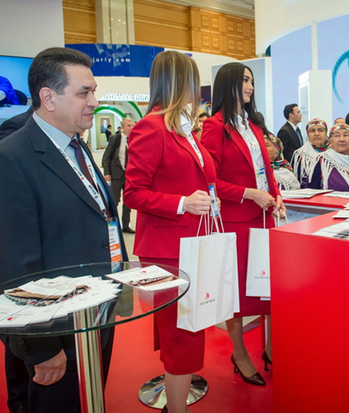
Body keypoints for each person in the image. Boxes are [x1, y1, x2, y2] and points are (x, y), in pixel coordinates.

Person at [0, 47, 126, 413]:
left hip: (97, 309)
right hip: (58, 327)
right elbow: (16, 266)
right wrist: (41, 347)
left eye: (93, 91)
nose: (94, 102)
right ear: (48, 98)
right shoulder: (10, 159)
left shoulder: (76, 145)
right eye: (83, 92)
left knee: (91, 399)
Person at [123, 51, 216, 413]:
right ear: (180, 81)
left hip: (192, 242)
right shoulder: (151, 127)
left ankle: (177, 393)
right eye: (193, 80)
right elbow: (133, 193)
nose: (198, 88)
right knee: (182, 332)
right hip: (169, 247)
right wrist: (182, 203)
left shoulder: (184, 128)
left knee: (188, 326)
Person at [200, 62, 285, 387]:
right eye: (244, 80)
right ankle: (239, 353)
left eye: (251, 81)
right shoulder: (214, 127)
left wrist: (276, 196)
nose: (250, 86)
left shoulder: (254, 124)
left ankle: (272, 348)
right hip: (236, 222)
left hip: (265, 218)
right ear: (229, 84)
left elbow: (267, 170)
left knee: (270, 288)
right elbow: (210, 181)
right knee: (234, 294)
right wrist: (249, 194)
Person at [103, 117, 135, 233]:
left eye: (132, 125)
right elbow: (107, 157)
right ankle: (112, 226)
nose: (131, 127)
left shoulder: (136, 139)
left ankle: (126, 225)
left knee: (128, 202)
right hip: (116, 175)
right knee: (114, 201)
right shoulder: (115, 139)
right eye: (128, 125)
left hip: (130, 176)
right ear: (122, 127)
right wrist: (107, 173)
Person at [313, 123, 349, 192]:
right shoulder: (322, 161)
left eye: (346, 135)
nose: (342, 139)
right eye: (337, 136)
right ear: (331, 141)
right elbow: (312, 190)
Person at [291, 118, 330, 188]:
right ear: (308, 134)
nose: (316, 134)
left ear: (325, 133)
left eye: (320, 130)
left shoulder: (334, 152)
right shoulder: (300, 155)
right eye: (312, 131)